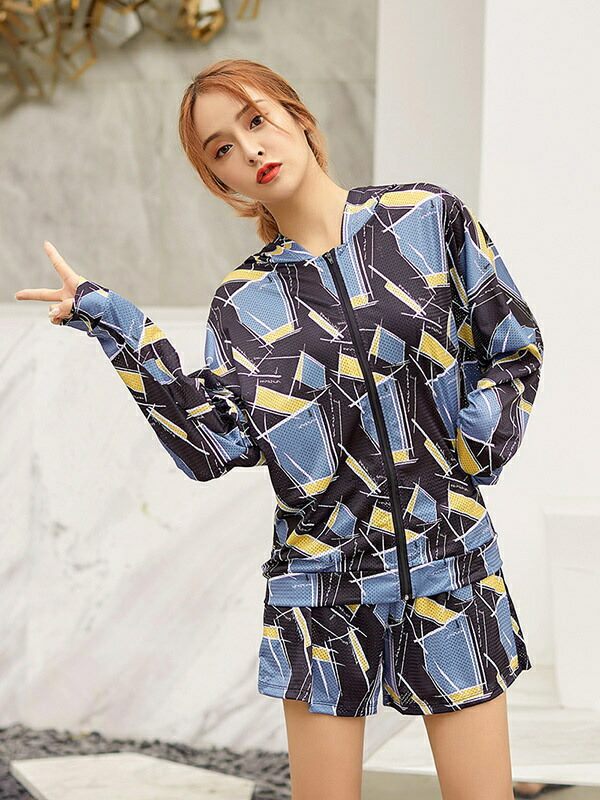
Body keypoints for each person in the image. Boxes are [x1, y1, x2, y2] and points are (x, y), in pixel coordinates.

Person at [15, 59, 556, 800]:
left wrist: (469, 451)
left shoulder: (425, 220)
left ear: (296, 115)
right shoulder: (243, 302)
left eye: (255, 120)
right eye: (222, 149)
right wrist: (118, 327)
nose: (249, 149)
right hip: (321, 590)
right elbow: (212, 444)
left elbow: (513, 344)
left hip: (450, 567)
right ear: (219, 179)